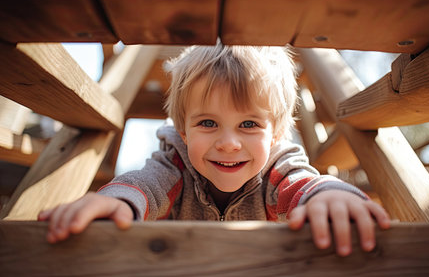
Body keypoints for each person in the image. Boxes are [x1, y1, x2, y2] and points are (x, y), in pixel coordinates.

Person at [38, 44, 390, 256]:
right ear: (184, 131)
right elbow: (146, 184)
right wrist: (116, 201)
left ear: (277, 133)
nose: (228, 142)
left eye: (249, 125)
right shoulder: (174, 164)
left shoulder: (277, 167)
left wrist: (331, 196)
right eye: (207, 123)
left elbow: (303, 183)